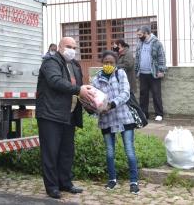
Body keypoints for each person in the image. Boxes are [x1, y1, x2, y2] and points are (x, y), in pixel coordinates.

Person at [36, 37, 95, 199]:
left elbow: (80, 89)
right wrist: (79, 90)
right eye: (69, 46)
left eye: (74, 47)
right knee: (51, 152)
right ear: (60, 47)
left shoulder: (75, 65)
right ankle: (52, 187)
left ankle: (66, 183)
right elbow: (55, 81)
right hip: (50, 115)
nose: (72, 50)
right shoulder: (50, 62)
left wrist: (92, 101)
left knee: (66, 152)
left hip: (69, 115)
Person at [91, 50, 140, 194]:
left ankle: (134, 181)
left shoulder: (121, 74)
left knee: (129, 151)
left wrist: (111, 104)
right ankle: (112, 180)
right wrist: (98, 108)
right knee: (110, 152)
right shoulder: (96, 80)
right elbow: (94, 99)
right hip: (106, 120)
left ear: (116, 63)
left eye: (111, 62)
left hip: (124, 117)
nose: (108, 65)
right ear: (102, 63)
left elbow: (125, 93)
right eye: (106, 62)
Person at [134, 25, 167, 121]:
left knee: (156, 94)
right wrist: (136, 71)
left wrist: (161, 70)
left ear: (146, 33)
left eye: (140, 35)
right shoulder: (140, 43)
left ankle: (159, 114)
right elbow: (137, 58)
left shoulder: (157, 43)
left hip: (154, 73)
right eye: (138, 35)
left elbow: (161, 57)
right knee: (143, 94)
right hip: (142, 73)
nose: (139, 37)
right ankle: (144, 113)